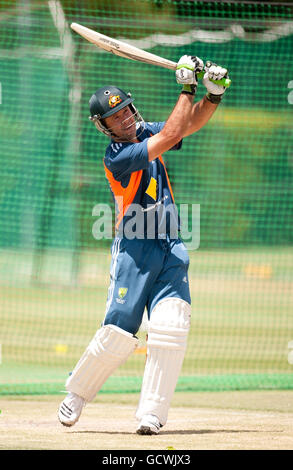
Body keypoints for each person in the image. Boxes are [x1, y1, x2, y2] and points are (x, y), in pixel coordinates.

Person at [58, 56, 229, 434]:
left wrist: (212, 96)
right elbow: (168, 136)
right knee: (119, 332)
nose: (123, 120)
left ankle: (151, 413)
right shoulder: (118, 156)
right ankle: (78, 392)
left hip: (169, 245)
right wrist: (187, 87)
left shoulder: (145, 131)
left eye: (125, 112)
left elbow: (185, 125)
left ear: (133, 107)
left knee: (171, 326)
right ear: (104, 128)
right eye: (113, 119)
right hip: (135, 249)